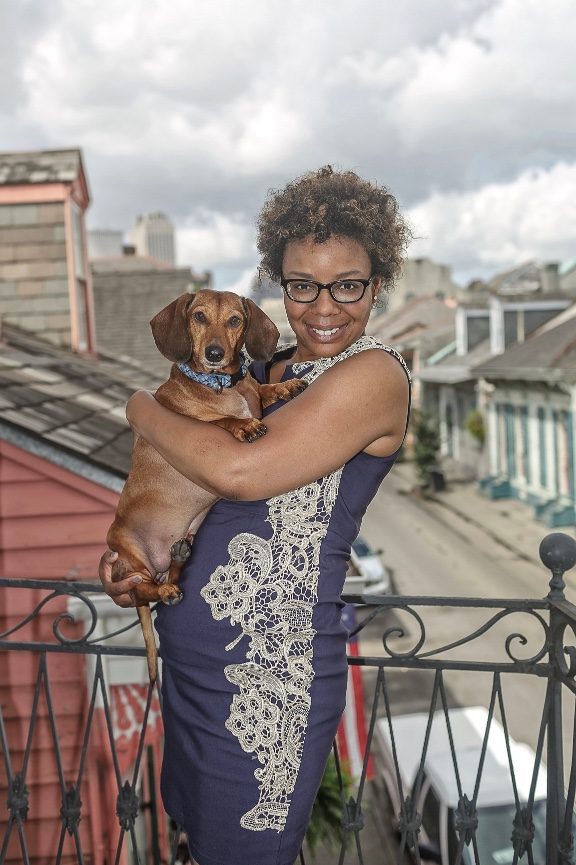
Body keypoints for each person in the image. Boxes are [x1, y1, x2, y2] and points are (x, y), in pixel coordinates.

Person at [99, 166, 411, 865]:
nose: (323, 305)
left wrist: (141, 408)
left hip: (269, 683)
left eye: (348, 284)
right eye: (303, 284)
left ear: (378, 283)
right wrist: (135, 558)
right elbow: (192, 490)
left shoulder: (375, 376)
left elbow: (238, 473)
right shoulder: (266, 375)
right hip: (191, 663)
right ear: (280, 285)